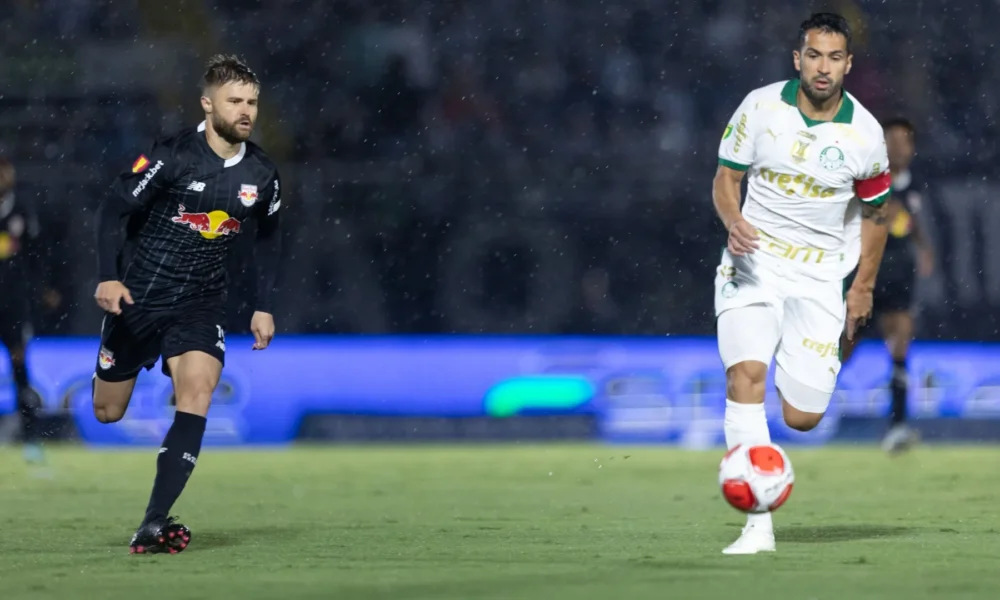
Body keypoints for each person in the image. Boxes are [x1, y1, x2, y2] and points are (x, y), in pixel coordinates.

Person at [712, 13, 890, 555]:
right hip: (755, 264)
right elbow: (726, 179)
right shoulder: (761, 106)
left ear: (848, 64)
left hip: (820, 277)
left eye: (835, 58)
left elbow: (877, 215)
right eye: (814, 55)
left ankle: (805, 374)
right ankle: (757, 525)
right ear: (798, 58)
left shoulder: (866, 133)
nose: (823, 67)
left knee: (803, 417)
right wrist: (734, 221)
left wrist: (862, 288)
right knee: (746, 375)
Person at [92, 55, 282, 555]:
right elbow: (113, 209)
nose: (245, 111)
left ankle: (153, 522)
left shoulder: (262, 173)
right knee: (107, 412)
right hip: (137, 302)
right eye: (234, 101)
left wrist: (263, 304)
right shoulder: (171, 156)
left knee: (197, 390)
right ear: (207, 104)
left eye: (252, 102)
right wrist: (108, 277)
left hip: (199, 305)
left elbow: (268, 237)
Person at [840, 117, 932, 454]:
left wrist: (923, 247)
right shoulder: (867, 179)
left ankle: (898, 426)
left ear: (912, 148)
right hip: (865, 271)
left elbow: (911, 218)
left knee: (899, 346)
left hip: (898, 274)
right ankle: (805, 406)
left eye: (903, 142)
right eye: (891, 141)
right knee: (844, 347)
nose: (897, 148)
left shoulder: (914, 183)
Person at [0, 158, 59, 464]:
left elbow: (37, 251)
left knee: (19, 367)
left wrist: (44, 286)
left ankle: (31, 438)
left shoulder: (21, 207)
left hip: (12, 303)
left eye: (5, 171)